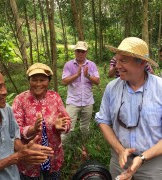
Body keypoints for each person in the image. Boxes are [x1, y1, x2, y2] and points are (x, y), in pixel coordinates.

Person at [95, 37, 162, 180]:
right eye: (117, 60)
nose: (117, 66)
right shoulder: (112, 88)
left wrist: (143, 157)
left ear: (142, 62)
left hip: (153, 166)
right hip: (120, 162)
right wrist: (120, 150)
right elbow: (103, 120)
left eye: (123, 61)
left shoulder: (160, 89)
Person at [0, 66, 54, 180]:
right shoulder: (20, 100)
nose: (5, 91)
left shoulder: (6, 110)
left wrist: (24, 149)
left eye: (4, 85)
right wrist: (15, 158)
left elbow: (14, 137)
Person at [12, 63, 71, 180]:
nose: (38, 84)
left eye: (42, 80)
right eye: (34, 80)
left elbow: (67, 120)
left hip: (53, 155)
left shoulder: (55, 97)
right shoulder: (20, 100)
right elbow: (15, 130)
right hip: (30, 158)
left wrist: (62, 127)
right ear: (29, 81)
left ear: (48, 81)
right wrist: (32, 129)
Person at [62, 41, 100, 144]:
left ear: (86, 52)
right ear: (75, 52)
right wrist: (77, 75)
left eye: (83, 51)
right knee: (68, 126)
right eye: (78, 51)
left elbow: (97, 81)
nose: (80, 53)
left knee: (85, 126)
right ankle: (64, 148)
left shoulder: (91, 65)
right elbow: (64, 82)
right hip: (73, 101)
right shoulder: (69, 65)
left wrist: (87, 75)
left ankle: (84, 145)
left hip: (88, 101)